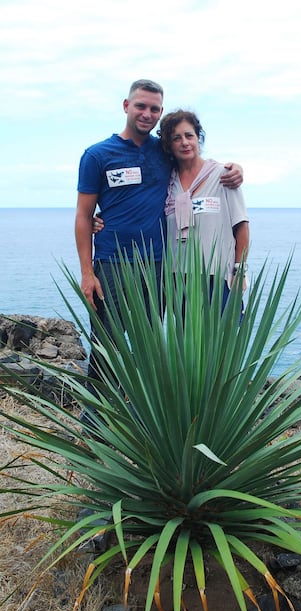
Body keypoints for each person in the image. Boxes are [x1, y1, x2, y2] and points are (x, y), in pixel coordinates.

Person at [75, 79, 243, 418]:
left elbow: (195, 165)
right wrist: (87, 272)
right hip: (111, 265)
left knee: (149, 350)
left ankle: (140, 423)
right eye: (141, 106)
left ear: (160, 112)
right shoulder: (97, 155)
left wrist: (235, 170)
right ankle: (94, 426)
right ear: (126, 106)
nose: (147, 113)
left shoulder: (163, 152)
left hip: (158, 268)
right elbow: (82, 215)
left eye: (154, 108)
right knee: (106, 346)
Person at [159, 109, 250, 312]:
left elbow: (241, 226)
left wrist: (240, 270)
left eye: (189, 135)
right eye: (176, 138)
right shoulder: (167, 182)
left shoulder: (223, 175)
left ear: (198, 138)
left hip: (218, 278)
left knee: (225, 341)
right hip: (178, 278)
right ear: (168, 145)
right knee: (186, 342)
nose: (184, 142)